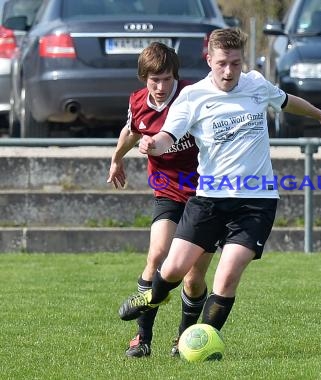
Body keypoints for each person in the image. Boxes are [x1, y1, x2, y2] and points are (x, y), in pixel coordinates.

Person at [117, 28, 321, 336]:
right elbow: (168, 136)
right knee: (171, 269)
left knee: (226, 277)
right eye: (222, 62)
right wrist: (151, 144)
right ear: (209, 60)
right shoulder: (192, 96)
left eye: (235, 63)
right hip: (209, 199)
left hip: (255, 202)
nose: (229, 71)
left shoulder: (256, 85)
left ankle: (201, 339)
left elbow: (288, 102)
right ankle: (153, 296)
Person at [107, 42, 214, 358]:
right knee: (157, 256)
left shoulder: (193, 96)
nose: (160, 86)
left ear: (176, 77)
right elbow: (132, 131)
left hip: (204, 193)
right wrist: (117, 158)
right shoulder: (138, 102)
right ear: (144, 78)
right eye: (154, 80)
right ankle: (142, 338)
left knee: (193, 279)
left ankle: (184, 340)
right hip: (167, 189)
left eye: (166, 79)